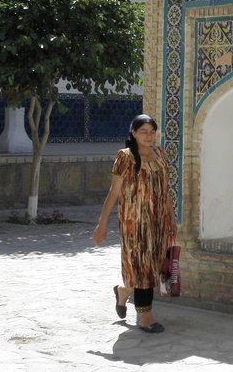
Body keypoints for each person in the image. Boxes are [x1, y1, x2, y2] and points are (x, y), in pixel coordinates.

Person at [92, 114, 176, 333]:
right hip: (134, 223)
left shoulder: (160, 154)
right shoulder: (125, 157)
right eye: (143, 131)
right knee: (141, 267)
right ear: (134, 133)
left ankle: (123, 291)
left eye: (152, 132)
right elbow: (114, 192)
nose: (149, 136)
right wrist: (102, 224)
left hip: (157, 222)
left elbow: (166, 190)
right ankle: (145, 317)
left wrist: (171, 218)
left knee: (151, 266)